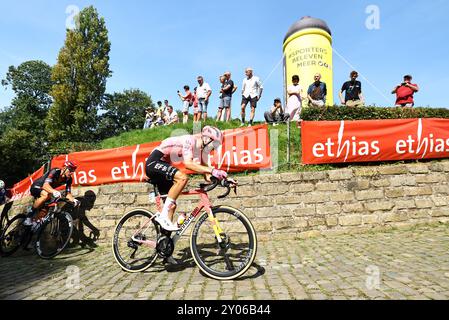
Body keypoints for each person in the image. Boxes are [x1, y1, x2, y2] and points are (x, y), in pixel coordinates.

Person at [145, 126, 229, 231]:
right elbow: (188, 164)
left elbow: (208, 175)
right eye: (214, 144)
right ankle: (163, 217)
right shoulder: (190, 140)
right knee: (182, 178)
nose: (214, 148)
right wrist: (213, 171)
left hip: (163, 166)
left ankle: (164, 242)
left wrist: (224, 180)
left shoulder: (201, 151)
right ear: (207, 139)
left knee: (171, 206)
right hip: (154, 162)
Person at [25, 160, 80, 226]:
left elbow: (68, 194)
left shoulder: (69, 179)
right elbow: (45, 185)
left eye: (73, 171)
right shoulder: (55, 171)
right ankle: (29, 215)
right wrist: (54, 191)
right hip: (37, 186)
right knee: (46, 195)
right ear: (64, 168)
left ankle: (34, 225)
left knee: (45, 210)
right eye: (70, 170)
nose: (71, 173)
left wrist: (73, 200)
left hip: (47, 190)